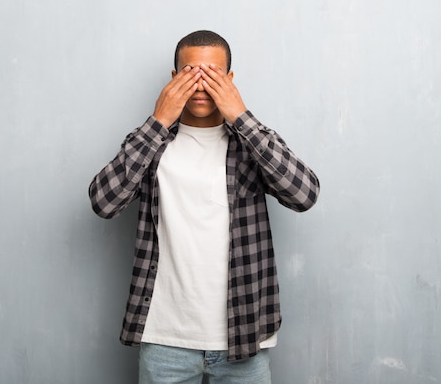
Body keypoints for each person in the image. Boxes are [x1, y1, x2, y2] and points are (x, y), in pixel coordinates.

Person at [89, 30, 320, 384]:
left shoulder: (250, 146)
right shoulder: (152, 145)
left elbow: (304, 194)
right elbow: (103, 202)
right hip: (165, 341)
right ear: (172, 80)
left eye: (212, 75)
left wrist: (240, 116)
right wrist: (158, 121)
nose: (200, 86)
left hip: (243, 337)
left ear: (229, 80)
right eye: (190, 74)